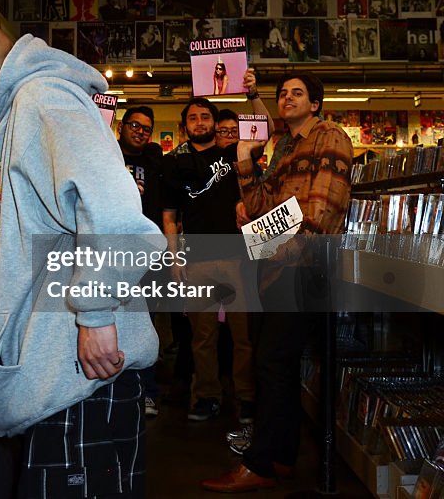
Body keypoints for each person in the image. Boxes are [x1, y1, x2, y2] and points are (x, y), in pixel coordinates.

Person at [0, 19, 160, 497]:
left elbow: (117, 212)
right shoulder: (29, 107)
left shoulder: (45, 99)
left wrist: (96, 314)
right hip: (66, 371)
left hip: (81, 374)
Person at [203, 73, 353, 493]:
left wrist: (260, 243)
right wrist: (246, 160)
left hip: (304, 269)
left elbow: (319, 214)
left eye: (297, 93)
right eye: (282, 93)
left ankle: (262, 463)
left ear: (316, 102)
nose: (287, 98)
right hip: (276, 269)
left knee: (271, 361)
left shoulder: (330, 137)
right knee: (278, 367)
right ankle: (283, 457)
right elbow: (259, 205)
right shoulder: (286, 145)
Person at [161, 96, 255, 425]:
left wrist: (253, 94)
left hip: (237, 257)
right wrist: (174, 259)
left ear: (215, 123)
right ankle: (206, 397)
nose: (200, 122)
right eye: (193, 118)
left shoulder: (232, 155)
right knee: (202, 337)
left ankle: (246, 399)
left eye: (205, 117)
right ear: (184, 126)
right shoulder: (174, 164)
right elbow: (170, 216)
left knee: (243, 334)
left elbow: (264, 133)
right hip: (197, 258)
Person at [117, 106, 166, 419]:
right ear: (122, 126)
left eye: (146, 128)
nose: (140, 131)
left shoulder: (153, 159)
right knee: (116, 320)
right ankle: (116, 388)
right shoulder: (107, 154)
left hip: (149, 249)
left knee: (148, 324)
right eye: (135, 125)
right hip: (115, 248)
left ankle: (148, 392)